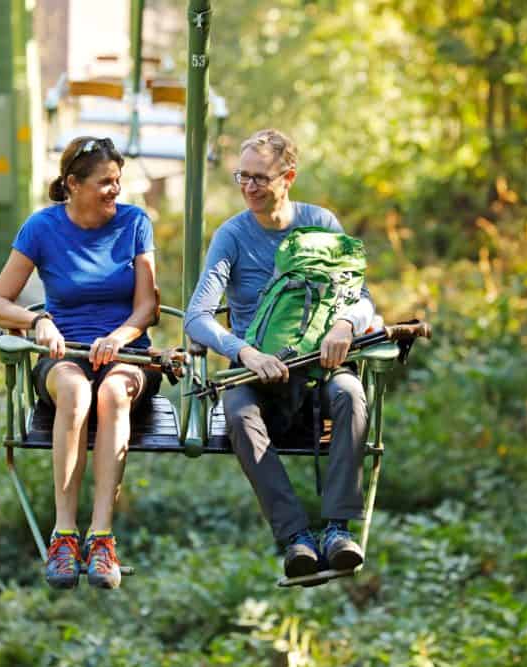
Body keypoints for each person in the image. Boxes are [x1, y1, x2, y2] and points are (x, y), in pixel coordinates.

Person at [184, 129, 375, 579]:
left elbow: (362, 298)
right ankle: (295, 538)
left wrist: (345, 324)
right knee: (236, 412)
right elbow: (196, 317)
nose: (249, 188)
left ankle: (337, 529)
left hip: (321, 370)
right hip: (257, 377)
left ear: (287, 177)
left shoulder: (322, 225)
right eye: (242, 177)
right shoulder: (232, 235)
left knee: (351, 393)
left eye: (260, 179)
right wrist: (245, 352)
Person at [0, 136, 161, 590]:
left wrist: (119, 337)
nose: (115, 190)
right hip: (65, 354)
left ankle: (101, 536)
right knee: (77, 390)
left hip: (125, 352)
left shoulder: (135, 223)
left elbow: (147, 308)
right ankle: (65, 533)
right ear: (73, 184)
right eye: (105, 182)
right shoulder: (41, 229)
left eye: (118, 180)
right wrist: (39, 320)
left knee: (111, 392)